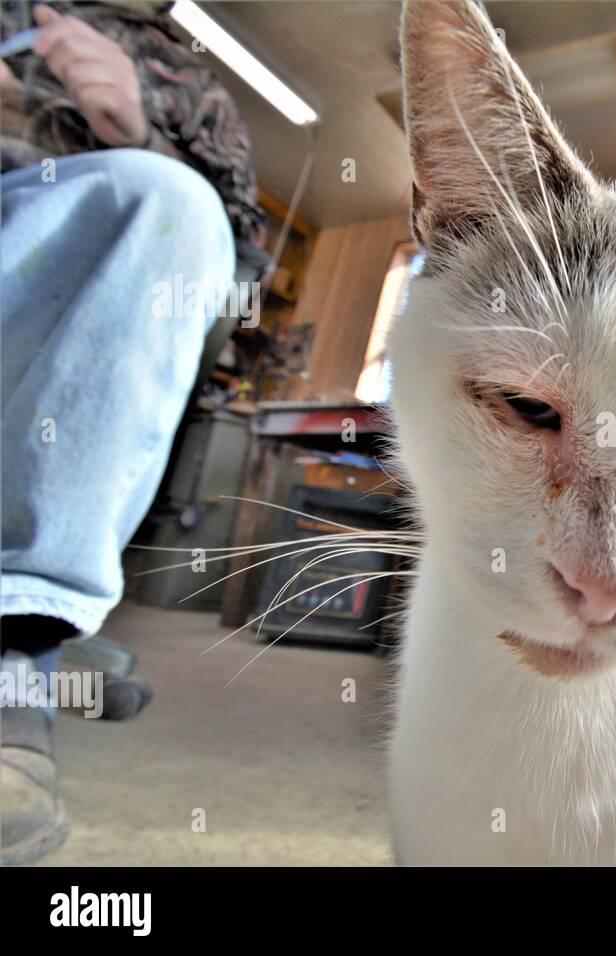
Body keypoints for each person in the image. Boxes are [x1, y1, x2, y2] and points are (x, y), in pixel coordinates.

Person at [0, 0, 264, 865]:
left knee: (171, 201)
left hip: (82, 235)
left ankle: (16, 650)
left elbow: (240, 271)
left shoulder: (194, 88)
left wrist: (133, 133)